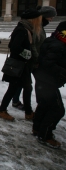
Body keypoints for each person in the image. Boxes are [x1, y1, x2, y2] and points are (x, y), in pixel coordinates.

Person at [0, 8, 42, 121]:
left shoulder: (27, 28)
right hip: (18, 66)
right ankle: (2, 110)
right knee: (15, 89)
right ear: (33, 19)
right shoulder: (22, 29)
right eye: (38, 19)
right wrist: (27, 54)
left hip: (23, 66)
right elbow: (14, 46)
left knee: (26, 88)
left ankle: (28, 112)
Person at [11, 6, 57, 110]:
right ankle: (26, 108)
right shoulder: (32, 27)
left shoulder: (39, 26)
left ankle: (18, 103)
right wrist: (34, 57)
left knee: (21, 84)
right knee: (25, 85)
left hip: (34, 59)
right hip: (31, 60)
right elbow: (29, 45)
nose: (52, 19)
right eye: (51, 16)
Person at [32, 21, 66, 149]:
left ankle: (37, 128)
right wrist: (63, 72)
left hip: (43, 78)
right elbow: (48, 63)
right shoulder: (57, 45)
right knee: (57, 109)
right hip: (47, 80)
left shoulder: (53, 41)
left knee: (45, 104)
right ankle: (45, 135)